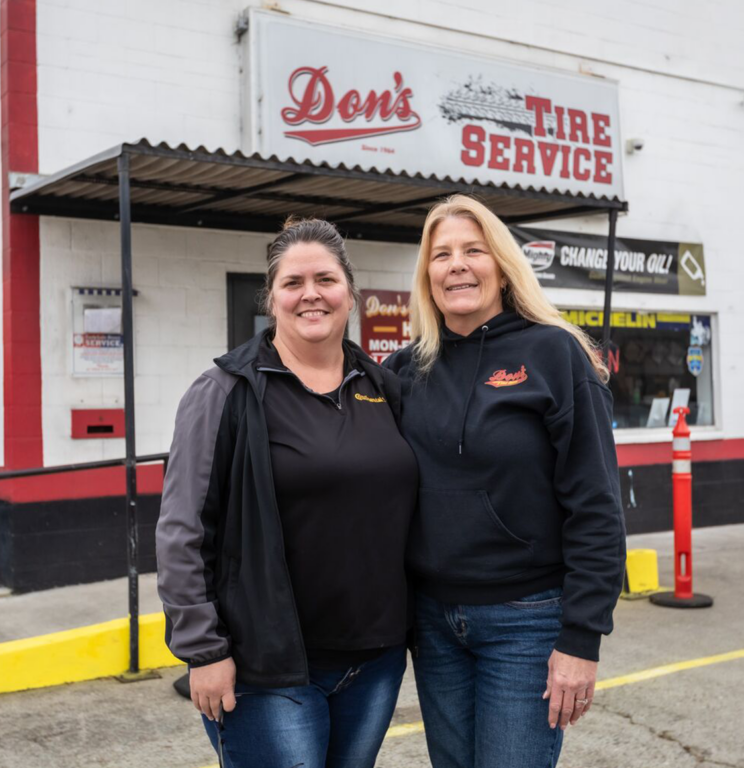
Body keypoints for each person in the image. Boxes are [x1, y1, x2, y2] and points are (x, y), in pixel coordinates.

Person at [155, 218, 418, 768]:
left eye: (325, 279)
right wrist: (203, 650)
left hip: (375, 659)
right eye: (293, 283)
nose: (311, 294)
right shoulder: (225, 390)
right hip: (266, 668)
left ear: (350, 292)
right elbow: (183, 532)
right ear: (271, 299)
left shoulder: (382, 384)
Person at [384, 195, 626, 768]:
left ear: (502, 264)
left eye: (474, 250)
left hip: (527, 619)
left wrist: (581, 639)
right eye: (440, 254)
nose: (457, 265)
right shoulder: (405, 369)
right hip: (434, 621)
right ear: (427, 274)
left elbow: (596, 505)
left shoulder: (554, 354)